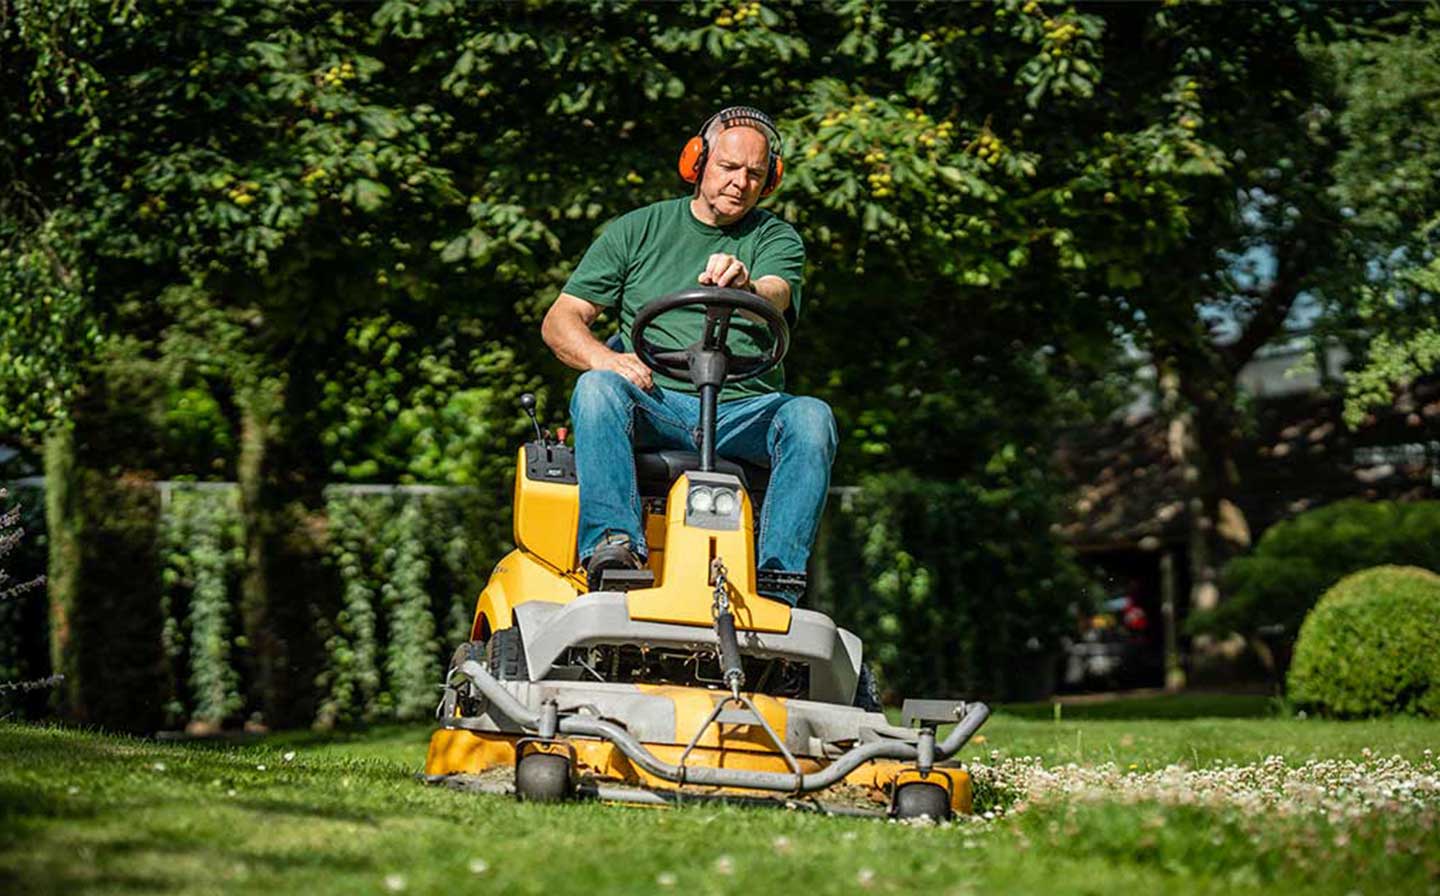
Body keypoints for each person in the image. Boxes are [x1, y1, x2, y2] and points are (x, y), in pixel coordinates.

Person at [540, 105, 837, 604]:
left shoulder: (774, 238)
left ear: (769, 182)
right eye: (728, 167)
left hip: (745, 410)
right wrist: (606, 360)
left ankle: (777, 577)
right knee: (596, 389)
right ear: (697, 163)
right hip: (655, 399)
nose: (740, 182)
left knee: (811, 416)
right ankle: (614, 547)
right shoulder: (637, 230)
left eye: (755, 174)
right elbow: (560, 319)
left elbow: (777, 291)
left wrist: (747, 284)